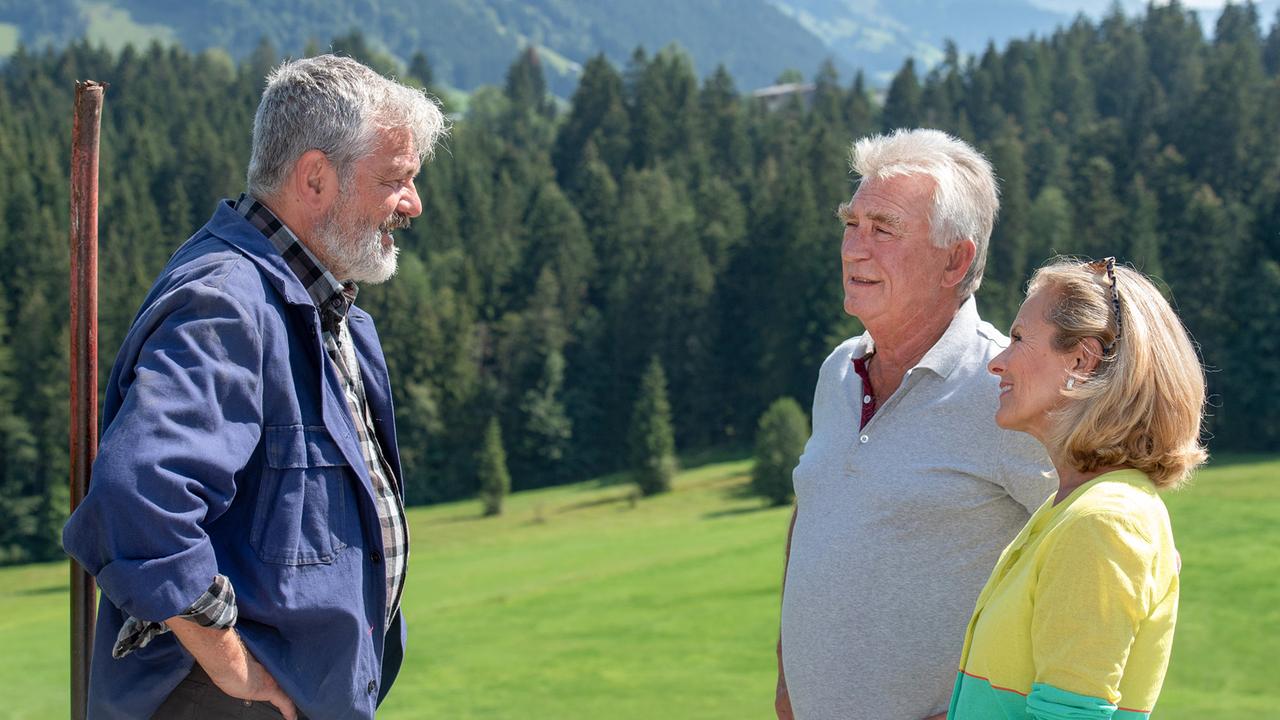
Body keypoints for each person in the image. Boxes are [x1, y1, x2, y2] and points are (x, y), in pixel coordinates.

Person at [62, 54, 447, 720]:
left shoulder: (332, 317)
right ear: (316, 178)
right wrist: (228, 662)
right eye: (395, 180)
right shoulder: (228, 305)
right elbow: (139, 496)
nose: (412, 204)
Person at [775, 128, 1057, 720]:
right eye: (851, 224)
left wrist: (1003, 710)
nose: (854, 248)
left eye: (884, 229)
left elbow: (1097, 561)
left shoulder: (1008, 387)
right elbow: (815, 513)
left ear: (956, 259)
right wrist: (787, 675)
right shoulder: (838, 371)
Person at [948, 258, 1204, 719]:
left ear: (1082, 361)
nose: (997, 362)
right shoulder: (1071, 507)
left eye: (1020, 339)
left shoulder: (1102, 522)